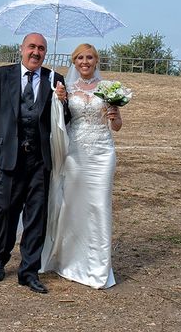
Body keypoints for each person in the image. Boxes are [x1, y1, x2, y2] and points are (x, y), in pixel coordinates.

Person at [0, 32, 67, 294]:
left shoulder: (55, 79)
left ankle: (28, 272)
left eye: (41, 48)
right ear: (21, 49)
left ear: (45, 53)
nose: (36, 52)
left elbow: (65, 121)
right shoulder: (1, 75)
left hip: (40, 160)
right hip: (8, 157)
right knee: (5, 211)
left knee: (36, 218)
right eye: (32, 47)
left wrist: (63, 102)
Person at [41, 43, 122, 289]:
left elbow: (116, 126)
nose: (84, 62)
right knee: (72, 204)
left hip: (102, 153)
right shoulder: (66, 88)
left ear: (96, 60)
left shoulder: (108, 89)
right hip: (75, 153)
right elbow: (61, 120)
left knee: (99, 205)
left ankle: (97, 268)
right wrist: (60, 102)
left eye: (89, 57)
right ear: (74, 61)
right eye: (80, 58)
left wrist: (115, 114)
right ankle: (69, 259)